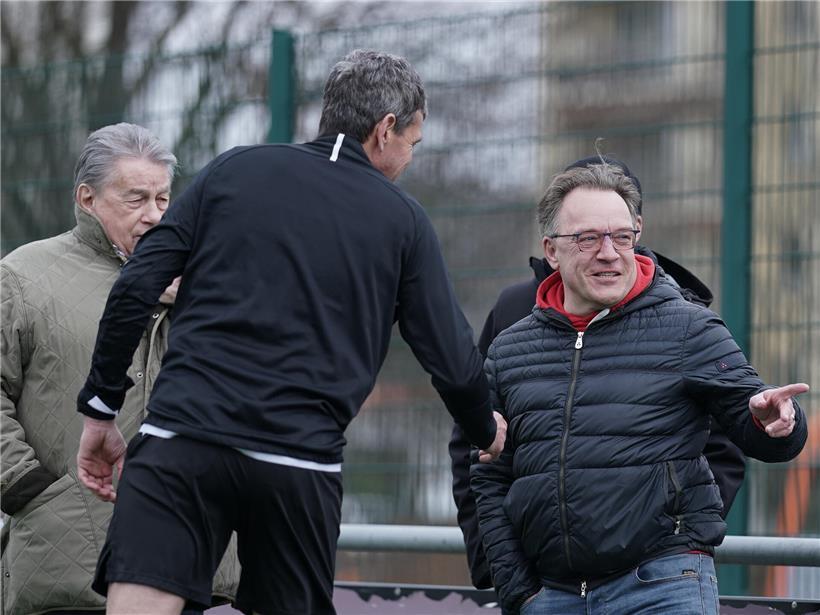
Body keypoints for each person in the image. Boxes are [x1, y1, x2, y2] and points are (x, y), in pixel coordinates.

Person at [74, 50, 507, 615]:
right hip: (299, 463)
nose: (407, 160)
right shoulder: (402, 220)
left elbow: (135, 286)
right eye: (412, 144)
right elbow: (450, 356)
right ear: (385, 131)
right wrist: (483, 428)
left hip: (185, 440)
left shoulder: (234, 170)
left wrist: (102, 408)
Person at [470, 160, 808, 614]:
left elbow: (756, 430)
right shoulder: (510, 349)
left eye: (622, 237)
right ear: (551, 250)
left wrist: (778, 423)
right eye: (588, 238)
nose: (608, 252)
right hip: (551, 596)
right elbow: (488, 474)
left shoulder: (689, 327)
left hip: (662, 588)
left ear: (637, 235)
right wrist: (519, 590)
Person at [0, 123, 238, 615]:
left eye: (163, 199)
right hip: (67, 562)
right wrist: (30, 489)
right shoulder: (22, 276)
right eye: (135, 200)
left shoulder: (207, 277)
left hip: (194, 558)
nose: (154, 215)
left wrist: (192, 301)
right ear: (87, 199)